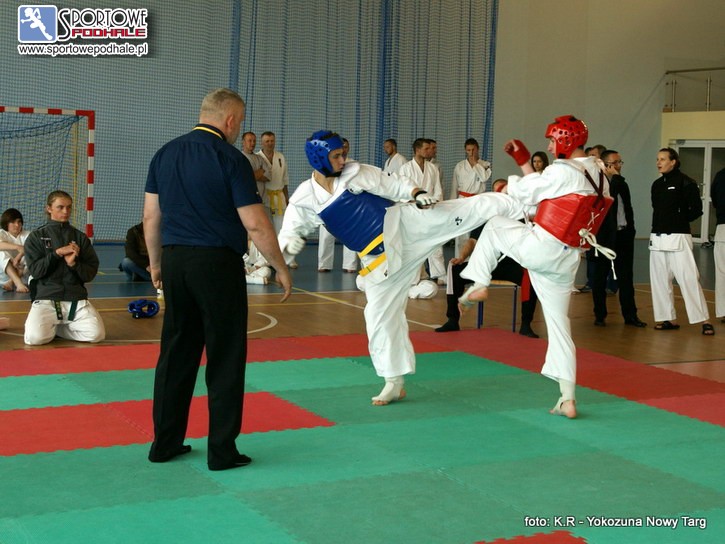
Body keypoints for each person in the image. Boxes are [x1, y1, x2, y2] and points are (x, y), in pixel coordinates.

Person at [279, 130, 525, 406]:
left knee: (459, 211)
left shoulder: (355, 172)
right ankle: (393, 382)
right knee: (378, 317)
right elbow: (288, 234)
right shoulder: (304, 198)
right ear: (319, 159)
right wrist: (285, 254)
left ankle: (523, 203)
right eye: (336, 156)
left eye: (343, 154)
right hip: (379, 263)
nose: (342, 160)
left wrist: (416, 192)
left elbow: (391, 184)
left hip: (404, 227)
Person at [143, 88, 292, 471]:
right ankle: (222, 451)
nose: (239, 128)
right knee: (224, 356)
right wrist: (279, 266)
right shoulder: (230, 158)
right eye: (239, 122)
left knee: (176, 353)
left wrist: (156, 263)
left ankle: (164, 444)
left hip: (175, 261)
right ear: (230, 120)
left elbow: (151, 217)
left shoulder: (165, 153)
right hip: (217, 264)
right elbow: (255, 223)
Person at [459, 115, 613, 419]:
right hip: (568, 258)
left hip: (543, 246)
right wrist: (525, 168)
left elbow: (527, 193)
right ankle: (567, 398)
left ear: (566, 141)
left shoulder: (564, 170)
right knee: (559, 325)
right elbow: (547, 198)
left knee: (495, 224)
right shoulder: (599, 174)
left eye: (552, 141)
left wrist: (520, 167)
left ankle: (478, 283)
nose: (550, 147)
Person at [436, 179, 539, 337]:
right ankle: (452, 320)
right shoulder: (486, 216)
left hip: (512, 265)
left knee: (531, 276)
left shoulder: (520, 214)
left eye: (503, 191)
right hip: (487, 264)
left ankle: (526, 324)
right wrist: (461, 257)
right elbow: (472, 241)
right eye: (497, 191)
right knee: (455, 270)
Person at [23, 191, 106, 345]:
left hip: (75, 298)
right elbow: (36, 271)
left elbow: (89, 274)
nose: (65, 211)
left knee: (96, 335)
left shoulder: (80, 238)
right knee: (34, 338)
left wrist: (73, 264)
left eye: (69, 207)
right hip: (47, 298)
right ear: (49, 208)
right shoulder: (36, 237)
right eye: (60, 207)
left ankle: (58, 329)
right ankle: (51, 328)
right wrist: (57, 254)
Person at [649, 147, 714, 335]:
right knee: (660, 280)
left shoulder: (686, 182)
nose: (659, 162)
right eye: (657, 159)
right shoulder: (656, 184)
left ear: (673, 162)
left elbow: (696, 209)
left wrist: (679, 219)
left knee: (688, 278)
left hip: (679, 236)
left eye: (663, 159)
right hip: (657, 237)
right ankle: (667, 318)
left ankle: (704, 320)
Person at [590, 150, 646, 327]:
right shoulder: (601, 184)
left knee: (626, 277)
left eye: (620, 162)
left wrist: (631, 229)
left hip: (623, 235)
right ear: (606, 165)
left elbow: (627, 207)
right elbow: (610, 195)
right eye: (615, 163)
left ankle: (630, 315)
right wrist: (615, 177)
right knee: (600, 277)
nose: (619, 166)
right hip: (604, 237)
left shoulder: (621, 183)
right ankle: (600, 315)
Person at [398, 138, 446, 282]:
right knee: (414, 245)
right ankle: (417, 275)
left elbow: (438, 190)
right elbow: (402, 190)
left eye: (430, 148)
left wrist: (434, 202)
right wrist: (417, 201)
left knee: (435, 242)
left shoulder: (432, 168)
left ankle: (440, 274)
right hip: (412, 210)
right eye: (426, 149)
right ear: (417, 150)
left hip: (431, 209)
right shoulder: (405, 168)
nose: (429, 151)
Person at [318, 137, 359, 273]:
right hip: (329, 204)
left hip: (349, 204)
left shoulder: (354, 165)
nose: (344, 149)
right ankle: (324, 264)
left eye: (346, 147)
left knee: (350, 234)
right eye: (342, 147)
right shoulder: (327, 163)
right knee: (326, 235)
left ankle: (350, 265)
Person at [449, 138, 492, 256]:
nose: (471, 152)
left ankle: (474, 259)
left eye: (473, 150)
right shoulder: (459, 166)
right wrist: (452, 205)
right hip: (462, 201)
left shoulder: (485, 164)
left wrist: (475, 164)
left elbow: (484, 178)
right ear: (465, 150)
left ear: (478, 149)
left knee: (476, 232)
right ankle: (459, 259)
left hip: (478, 201)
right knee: (461, 232)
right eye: (468, 150)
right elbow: (454, 186)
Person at [0, 208, 30, 293]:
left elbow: (30, 249)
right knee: (1, 253)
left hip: (23, 275)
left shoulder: (28, 234)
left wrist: (18, 257)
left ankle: (12, 282)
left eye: (19, 222)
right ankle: (17, 282)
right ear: (6, 223)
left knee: (31, 254)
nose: (17, 225)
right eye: (13, 222)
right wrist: (18, 247)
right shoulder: (1, 233)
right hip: (4, 277)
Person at [241, 131, 270, 212]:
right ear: (243, 142)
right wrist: (260, 172)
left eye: (254, 141)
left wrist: (251, 175)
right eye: (250, 141)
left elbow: (268, 176)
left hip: (262, 201)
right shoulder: (239, 158)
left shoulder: (260, 158)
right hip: (246, 202)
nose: (252, 143)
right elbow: (243, 178)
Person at [711, 166, 725, 323]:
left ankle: (723, 311)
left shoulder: (720, 176)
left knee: (722, 273)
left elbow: (714, 200)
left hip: (722, 228)